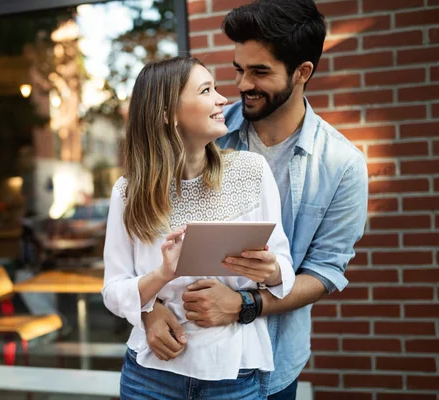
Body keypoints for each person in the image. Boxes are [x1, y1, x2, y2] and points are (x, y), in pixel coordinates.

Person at [141, 1, 369, 399]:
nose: (243, 84)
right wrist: (149, 309)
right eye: (239, 69)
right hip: (176, 364)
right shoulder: (203, 131)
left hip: (274, 364)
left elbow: (325, 272)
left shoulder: (342, 165)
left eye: (260, 72)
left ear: (302, 73)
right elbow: (147, 232)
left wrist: (245, 305)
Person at [102, 56, 295, 400]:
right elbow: (114, 291)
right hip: (150, 377)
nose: (223, 98)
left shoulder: (252, 172)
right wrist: (159, 282)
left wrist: (271, 270)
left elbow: (284, 268)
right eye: (206, 90)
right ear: (166, 114)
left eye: (216, 88)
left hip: (233, 377)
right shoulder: (128, 191)